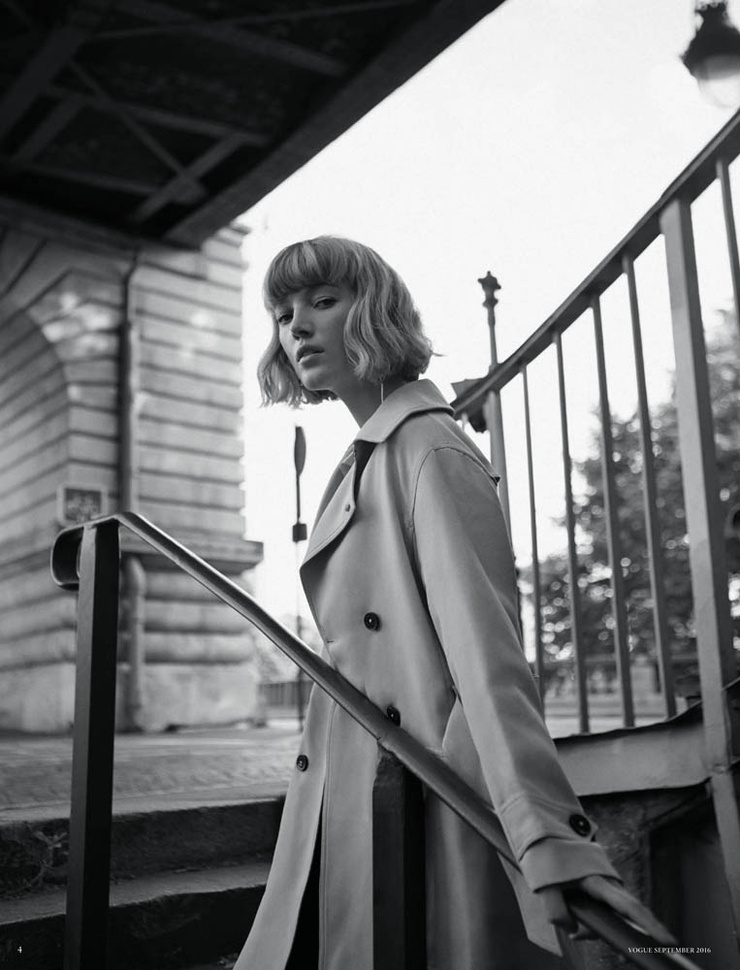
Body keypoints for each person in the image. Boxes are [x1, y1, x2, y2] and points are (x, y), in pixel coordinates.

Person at [234, 236, 672, 970]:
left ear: (374, 311)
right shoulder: (372, 454)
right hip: (366, 782)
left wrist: (548, 836)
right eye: (283, 315)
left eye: (323, 301)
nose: (297, 326)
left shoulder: (428, 449)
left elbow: (486, 657)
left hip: (426, 790)